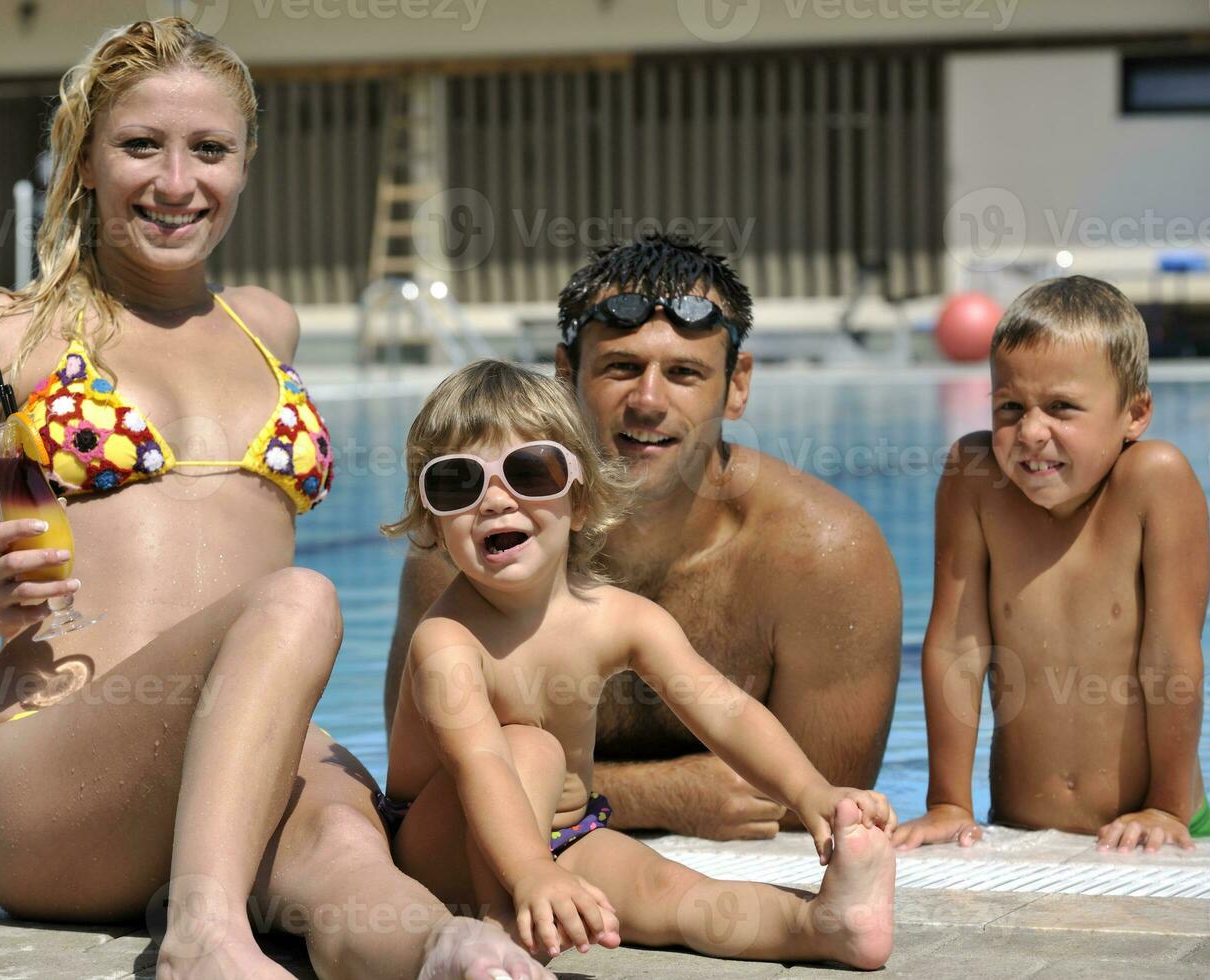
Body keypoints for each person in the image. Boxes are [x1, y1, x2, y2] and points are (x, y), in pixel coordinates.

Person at [0, 18, 551, 980]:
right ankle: (202, 937)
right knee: (300, 598)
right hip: (63, 782)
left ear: (245, 162)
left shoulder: (269, 327)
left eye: (210, 150)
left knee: (364, 873)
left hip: (245, 770)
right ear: (86, 159)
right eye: (141, 145)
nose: (177, 183)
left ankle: (453, 958)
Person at [379, 359, 897, 969]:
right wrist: (527, 875)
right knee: (530, 747)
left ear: (579, 497)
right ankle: (501, 925)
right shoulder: (445, 641)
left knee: (670, 894)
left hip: (562, 838)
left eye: (530, 471)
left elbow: (723, 710)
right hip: (444, 848)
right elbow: (482, 765)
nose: (495, 499)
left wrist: (809, 789)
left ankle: (825, 926)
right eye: (456, 483)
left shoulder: (620, 619)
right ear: (433, 524)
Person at [385, 234, 901, 841]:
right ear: (564, 374)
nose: (648, 402)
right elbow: (430, 785)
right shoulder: (474, 545)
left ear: (737, 386)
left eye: (684, 372)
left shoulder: (821, 554)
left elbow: (821, 796)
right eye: (621, 367)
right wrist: (663, 796)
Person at [892, 275, 1210, 854]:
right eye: (1010, 407)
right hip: (1016, 823)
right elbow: (955, 644)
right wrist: (948, 802)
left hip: (1157, 819)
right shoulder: (976, 479)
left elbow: (1172, 656)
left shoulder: (1154, 481)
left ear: (1135, 414)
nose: (1032, 432)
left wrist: (1166, 807)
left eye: (1062, 408)